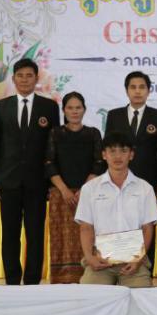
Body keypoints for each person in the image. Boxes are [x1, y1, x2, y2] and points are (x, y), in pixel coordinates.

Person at [0, 58, 60, 285]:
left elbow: (53, 147)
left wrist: (52, 182)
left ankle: (32, 282)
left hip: (37, 182)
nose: (25, 80)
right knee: (10, 234)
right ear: (13, 78)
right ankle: (12, 280)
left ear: (36, 79)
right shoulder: (2, 106)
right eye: (20, 75)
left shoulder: (49, 107)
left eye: (29, 76)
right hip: (8, 181)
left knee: (35, 234)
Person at [75, 130, 157, 287]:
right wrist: (89, 257)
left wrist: (138, 260)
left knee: (141, 293)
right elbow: (86, 227)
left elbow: (147, 228)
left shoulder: (145, 188)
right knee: (90, 294)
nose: (118, 156)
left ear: (131, 155)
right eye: (112, 151)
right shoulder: (90, 188)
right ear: (104, 155)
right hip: (101, 260)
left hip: (134, 260)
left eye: (123, 151)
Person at [104, 71, 157, 271]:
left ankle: (144, 270)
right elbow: (108, 148)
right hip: (118, 181)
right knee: (118, 222)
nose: (137, 91)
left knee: (146, 224)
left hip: (148, 181)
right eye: (133, 87)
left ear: (148, 91)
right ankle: (115, 265)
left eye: (142, 87)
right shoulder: (114, 115)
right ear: (126, 90)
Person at [44, 92, 105, 284]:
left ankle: (90, 275)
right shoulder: (55, 133)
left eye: (78, 107)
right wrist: (64, 190)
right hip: (60, 194)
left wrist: (84, 189)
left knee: (88, 233)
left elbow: (99, 163)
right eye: (70, 108)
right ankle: (61, 278)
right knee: (61, 237)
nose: (74, 111)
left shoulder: (93, 133)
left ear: (84, 110)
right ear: (64, 110)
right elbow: (49, 163)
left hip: (89, 193)